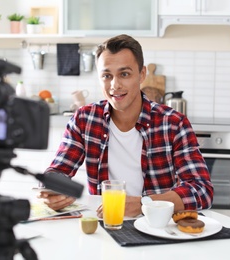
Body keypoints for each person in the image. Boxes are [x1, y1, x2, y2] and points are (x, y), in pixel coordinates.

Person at [39, 34, 213, 218]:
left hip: (156, 227)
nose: (115, 85)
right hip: (105, 224)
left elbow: (202, 190)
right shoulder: (84, 119)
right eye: (107, 76)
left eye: (124, 74)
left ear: (142, 74)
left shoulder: (173, 123)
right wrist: (51, 190)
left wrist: (145, 204)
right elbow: (57, 171)